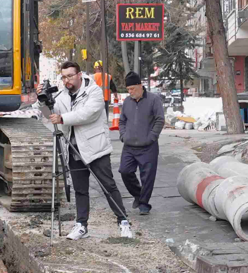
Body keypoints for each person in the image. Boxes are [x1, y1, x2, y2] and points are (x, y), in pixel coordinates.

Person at [48, 61, 132, 240]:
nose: (67, 80)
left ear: (79, 75)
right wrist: (44, 100)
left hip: (95, 148)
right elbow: (51, 114)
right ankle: (81, 225)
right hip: (73, 148)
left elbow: (88, 114)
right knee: (80, 189)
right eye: (64, 77)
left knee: (108, 186)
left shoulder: (93, 91)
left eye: (70, 75)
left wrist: (62, 118)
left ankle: (123, 222)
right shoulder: (62, 95)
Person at [116, 71, 164, 215]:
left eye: (132, 89)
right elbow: (122, 121)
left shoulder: (154, 100)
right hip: (129, 146)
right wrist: (123, 135)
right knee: (125, 171)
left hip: (148, 146)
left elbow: (159, 120)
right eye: (128, 89)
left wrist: (151, 137)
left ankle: (144, 203)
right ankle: (138, 194)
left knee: (147, 176)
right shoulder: (127, 102)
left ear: (140, 85)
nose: (130, 92)